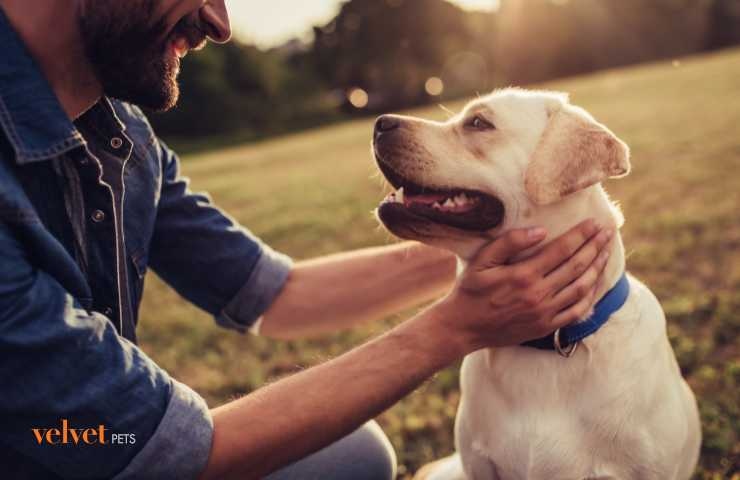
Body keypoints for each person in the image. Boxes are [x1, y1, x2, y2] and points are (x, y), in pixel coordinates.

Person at [0, 1, 613, 479]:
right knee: (130, 439)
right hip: (79, 445)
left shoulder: (123, 138)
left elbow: (278, 293)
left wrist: (500, 241)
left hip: (92, 439)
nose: (219, 23)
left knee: (352, 456)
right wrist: (457, 326)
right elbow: (157, 451)